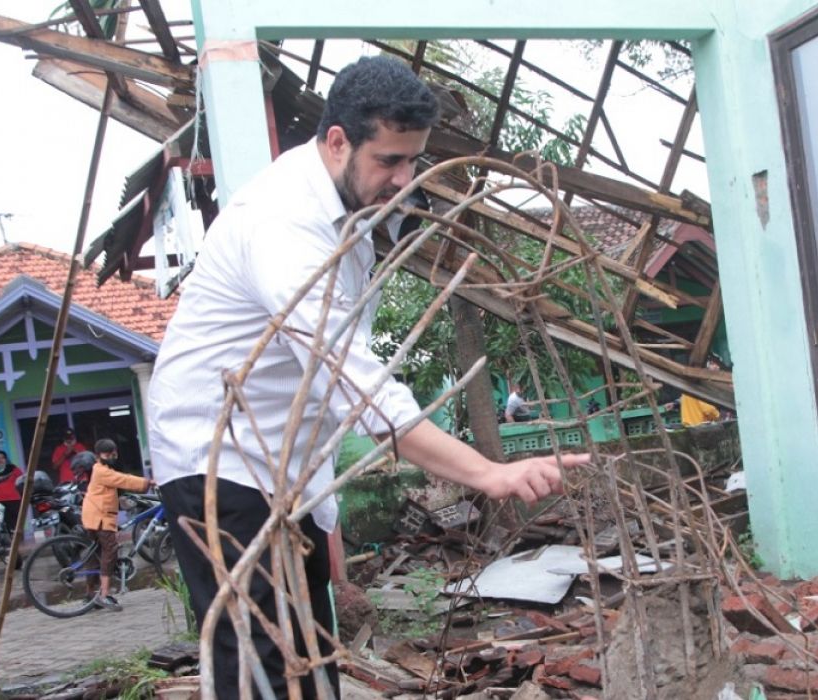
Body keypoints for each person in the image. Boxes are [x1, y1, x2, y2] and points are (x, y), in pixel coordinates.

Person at [147, 55, 589, 700]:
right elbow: (354, 385)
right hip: (220, 461)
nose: (404, 179)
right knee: (262, 665)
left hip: (285, 464)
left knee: (309, 647)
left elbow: (322, 382)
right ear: (336, 142)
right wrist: (487, 473)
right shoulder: (284, 224)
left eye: (412, 161)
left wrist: (320, 516)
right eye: (389, 161)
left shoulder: (350, 212)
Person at [80, 438, 152, 612]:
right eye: (108, 453)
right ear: (98, 456)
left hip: (95, 516)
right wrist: (148, 483)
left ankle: (90, 594)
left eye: (114, 453)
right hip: (99, 518)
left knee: (95, 555)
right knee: (110, 551)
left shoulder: (103, 469)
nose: (112, 456)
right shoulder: (101, 471)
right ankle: (104, 594)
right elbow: (123, 480)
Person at [0, 450, 24, 532]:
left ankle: (18, 540)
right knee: (2, 523)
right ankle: (8, 541)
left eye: (3, 458)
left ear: (6, 459)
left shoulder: (13, 468)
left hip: (14, 499)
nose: (0, 460)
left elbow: (22, 480)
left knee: (16, 522)